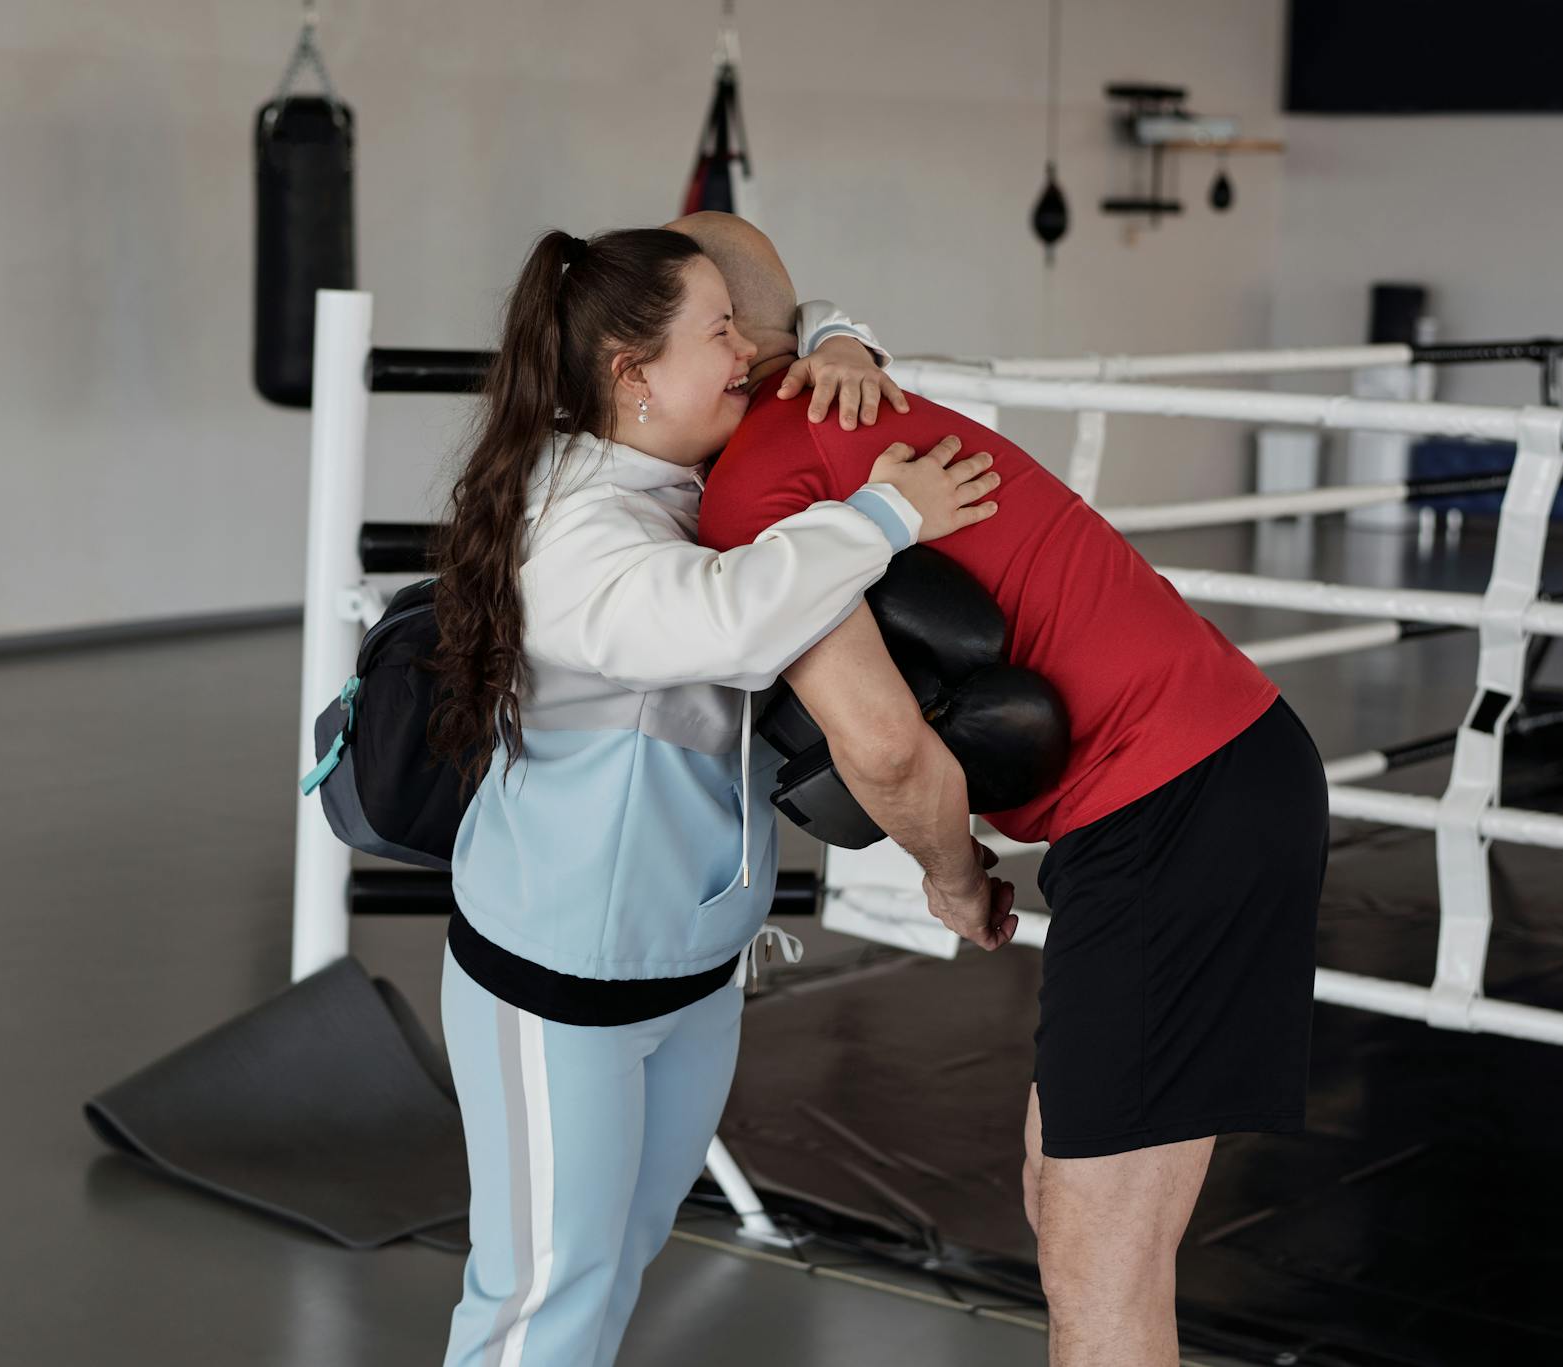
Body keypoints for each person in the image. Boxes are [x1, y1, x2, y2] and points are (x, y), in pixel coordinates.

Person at [680, 211, 1328, 1367]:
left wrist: (951, 872)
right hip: (1205, 779)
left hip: (1176, 803)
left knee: (1098, 1271)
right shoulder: (842, 403)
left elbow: (883, 749)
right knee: (1061, 1193)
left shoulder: (756, 488)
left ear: (724, 343)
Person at [422, 224, 998, 1367]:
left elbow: (782, 309)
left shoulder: (677, 460)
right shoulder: (581, 528)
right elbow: (730, 620)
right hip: (558, 984)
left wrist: (836, 340)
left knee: (616, 1260)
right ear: (631, 372)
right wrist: (885, 518)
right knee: (542, 1294)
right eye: (719, 333)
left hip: (688, 972)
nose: (747, 350)